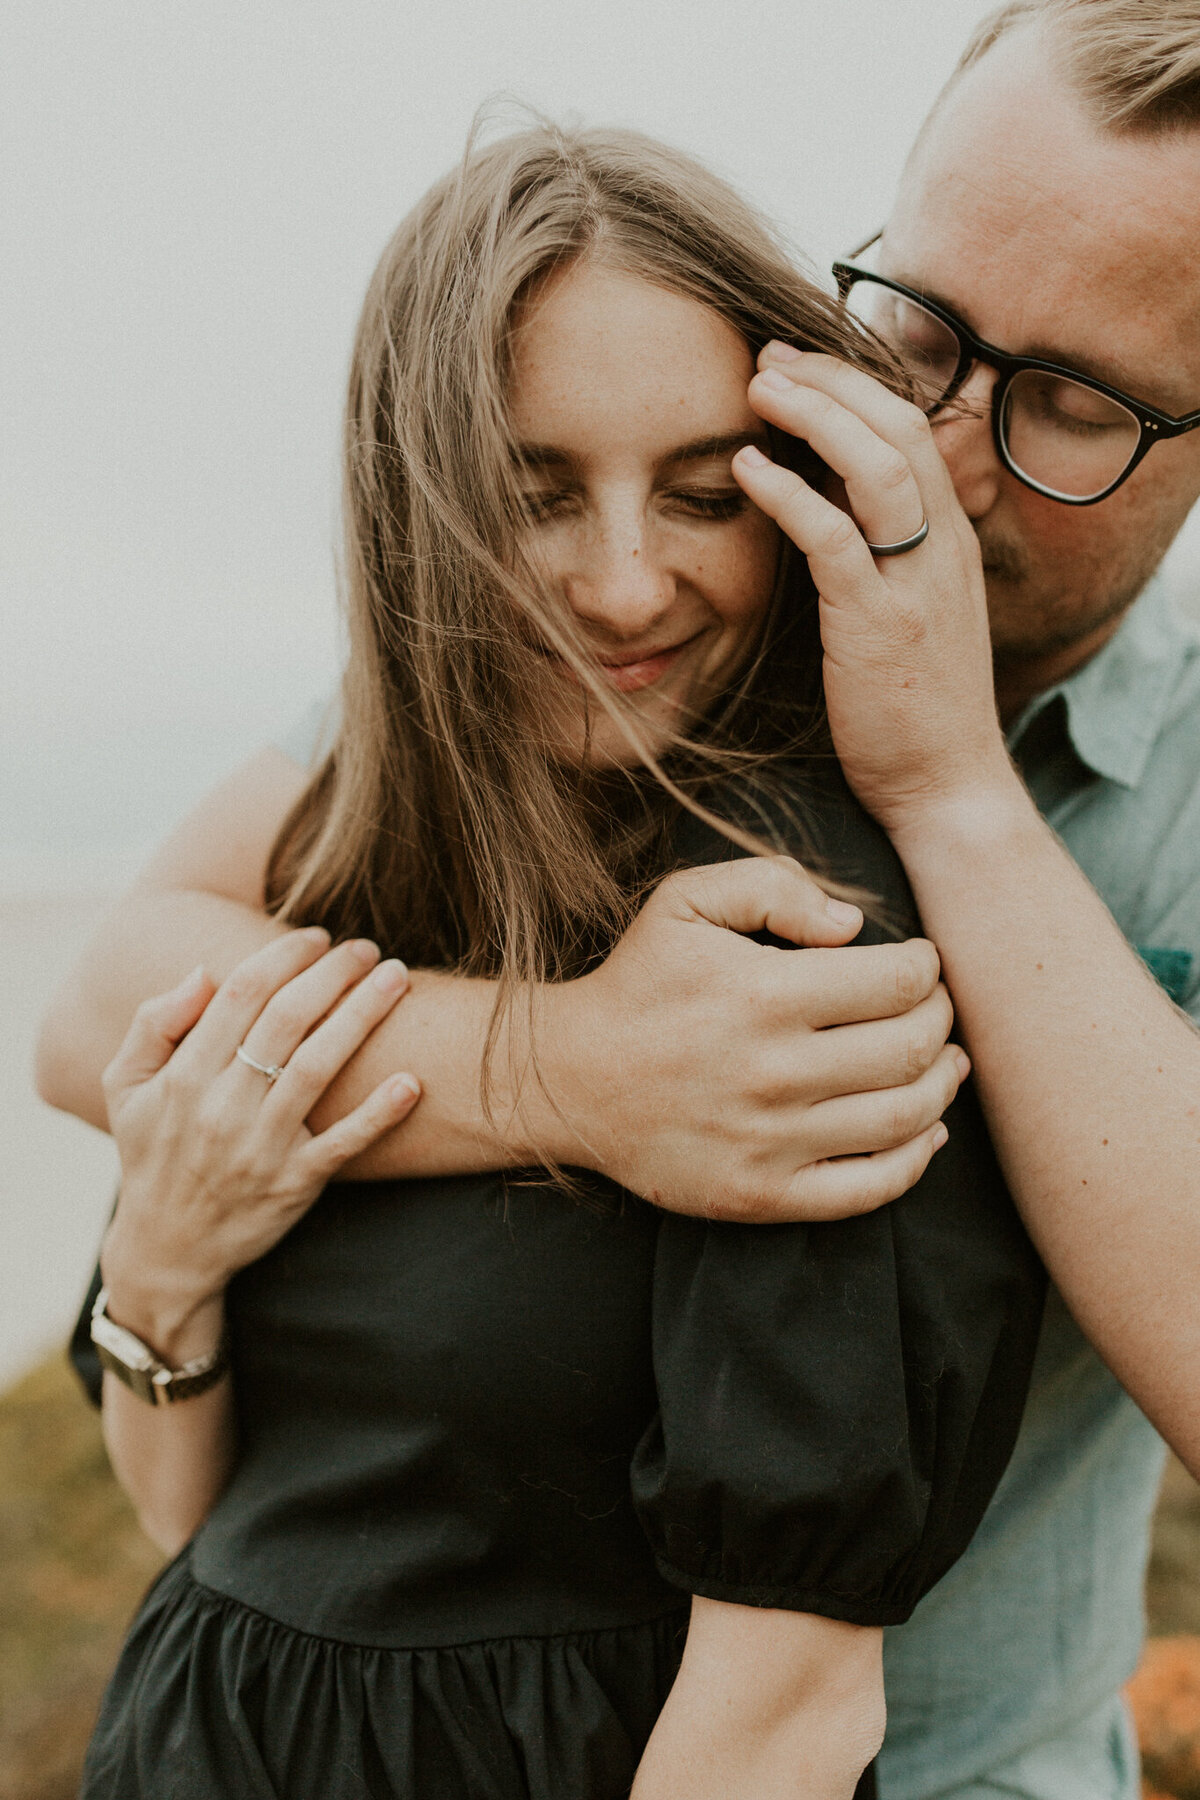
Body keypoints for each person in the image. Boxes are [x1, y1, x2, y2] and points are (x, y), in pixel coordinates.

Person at [36, 0, 1200, 1794]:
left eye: (1066, 404)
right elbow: (108, 1005)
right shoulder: (633, 635)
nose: (939, 461)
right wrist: (573, 1070)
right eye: (919, 331)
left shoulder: (938, 803)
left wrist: (951, 793)